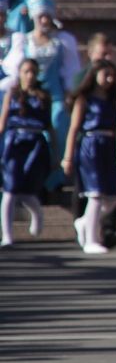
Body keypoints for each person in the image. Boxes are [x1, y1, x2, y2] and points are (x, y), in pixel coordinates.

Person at [4, 0, 83, 192]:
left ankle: (54, 179)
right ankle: (30, 174)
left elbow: (70, 70)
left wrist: (69, 93)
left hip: (54, 95)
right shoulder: (25, 40)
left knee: (57, 125)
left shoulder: (61, 41)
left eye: (47, 17)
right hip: (31, 96)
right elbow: (14, 69)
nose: (44, 21)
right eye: (41, 17)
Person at [65, 59, 116, 255]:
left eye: (112, 75)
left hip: (109, 145)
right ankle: (91, 239)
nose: (109, 79)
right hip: (91, 145)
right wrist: (68, 157)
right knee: (95, 194)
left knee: (112, 198)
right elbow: (74, 128)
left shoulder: (112, 99)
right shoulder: (85, 99)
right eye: (105, 74)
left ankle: (84, 222)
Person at [0, 57, 52, 245]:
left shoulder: (43, 96)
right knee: (10, 189)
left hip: (35, 143)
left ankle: (37, 213)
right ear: (20, 74)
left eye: (33, 72)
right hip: (15, 144)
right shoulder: (12, 95)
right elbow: (2, 122)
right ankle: (7, 235)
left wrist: (55, 150)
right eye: (26, 71)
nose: (29, 76)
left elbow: (49, 125)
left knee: (28, 188)